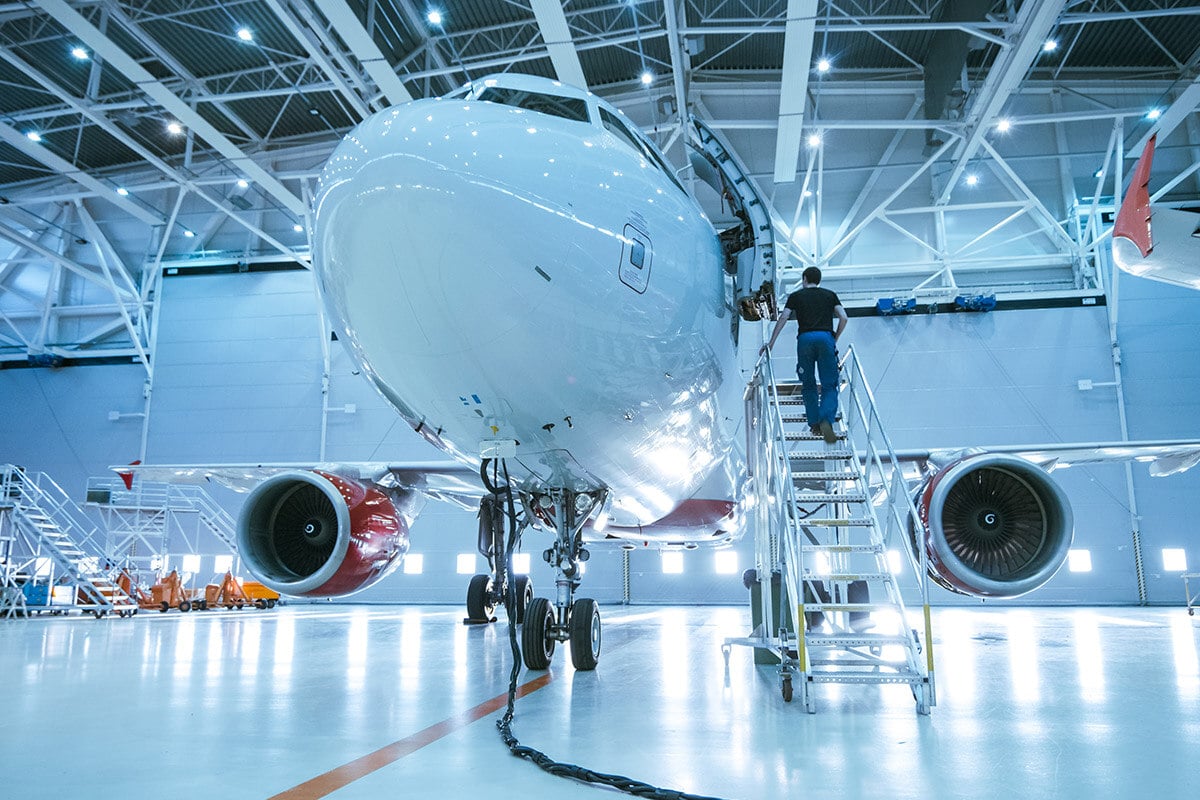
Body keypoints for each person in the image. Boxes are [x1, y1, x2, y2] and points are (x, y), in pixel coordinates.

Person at [759, 267, 848, 445]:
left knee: (808, 384)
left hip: (805, 340)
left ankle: (814, 423)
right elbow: (843, 317)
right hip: (825, 338)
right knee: (830, 384)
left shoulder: (796, 296)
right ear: (819, 280)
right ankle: (825, 420)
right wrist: (835, 338)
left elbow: (783, 318)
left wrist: (771, 343)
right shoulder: (830, 295)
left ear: (804, 278)